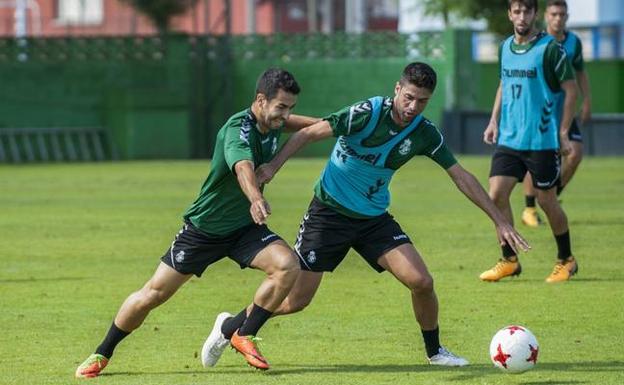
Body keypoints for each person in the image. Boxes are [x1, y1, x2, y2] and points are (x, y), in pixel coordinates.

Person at [201, 62, 530, 368]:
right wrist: (273, 166)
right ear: (397, 89)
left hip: (373, 219)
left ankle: (435, 352)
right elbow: (306, 133)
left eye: (423, 101)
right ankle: (230, 325)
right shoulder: (367, 113)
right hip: (327, 215)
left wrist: (499, 220)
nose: (413, 107)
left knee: (422, 281)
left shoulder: (424, 132)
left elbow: (460, 175)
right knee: (296, 300)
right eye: (409, 97)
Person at [75, 68, 315, 377]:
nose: (286, 115)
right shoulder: (237, 130)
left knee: (287, 266)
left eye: (291, 108)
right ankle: (102, 352)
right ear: (260, 100)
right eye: (281, 107)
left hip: (244, 229)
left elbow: (303, 125)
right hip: (205, 230)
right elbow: (242, 168)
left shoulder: (273, 121)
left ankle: (242, 332)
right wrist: (256, 198)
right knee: (153, 294)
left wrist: (334, 125)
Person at [480, 0, 578, 283]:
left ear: (535, 14)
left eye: (527, 10)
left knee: (547, 201)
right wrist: (493, 119)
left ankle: (566, 259)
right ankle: (509, 259)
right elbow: (503, 84)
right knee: (496, 195)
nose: (522, 16)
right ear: (510, 14)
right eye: (517, 10)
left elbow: (571, 91)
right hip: (510, 138)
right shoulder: (504, 48)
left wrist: (562, 131)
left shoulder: (550, 49)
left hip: (541, 140)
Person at [520, 0, 592, 227]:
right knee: (537, 157)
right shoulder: (538, 42)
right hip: (542, 111)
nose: (558, 18)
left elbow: (580, 72)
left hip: (566, 109)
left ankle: (549, 196)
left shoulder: (573, 43)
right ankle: (530, 207)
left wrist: (587, 100)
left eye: (562, 14)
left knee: (575, 153)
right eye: (554, 14)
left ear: (567, 17)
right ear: (546, 16)